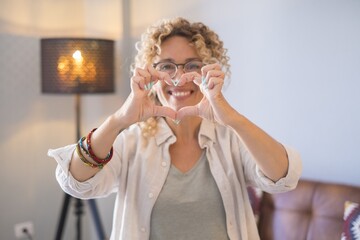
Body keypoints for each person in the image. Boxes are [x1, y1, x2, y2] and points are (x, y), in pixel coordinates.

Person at [48, 17, 302, 240]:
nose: (179, 78)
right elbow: (75, 182)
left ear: (208, 72)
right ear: (151, 76)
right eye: (167, 66)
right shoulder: (132, 143)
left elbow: (284, 178)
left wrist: (232, 118)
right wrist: (119, 120)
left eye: (192, 66)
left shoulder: (231, 138)